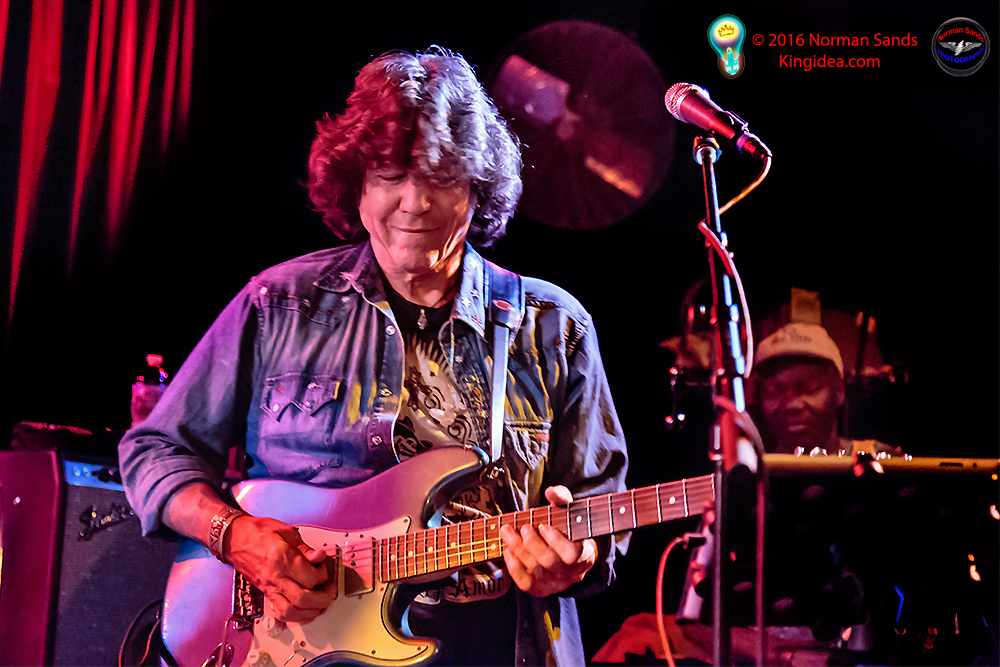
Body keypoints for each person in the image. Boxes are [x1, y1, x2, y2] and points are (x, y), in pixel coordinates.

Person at [119, 47, 629, 666]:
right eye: (390, 175)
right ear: (356, 185)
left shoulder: (553, 325)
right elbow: (154, 448)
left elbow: (601, 513)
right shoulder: (280, 303)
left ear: (476, 188)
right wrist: (233, 535)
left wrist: (576, 558)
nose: (414, 202)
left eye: (441, 177)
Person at [751, 322, 900, 457]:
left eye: (809, 388)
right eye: (772, 391)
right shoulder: (754, 472)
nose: (791, 405)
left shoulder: (879, 460)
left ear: (839, 390)